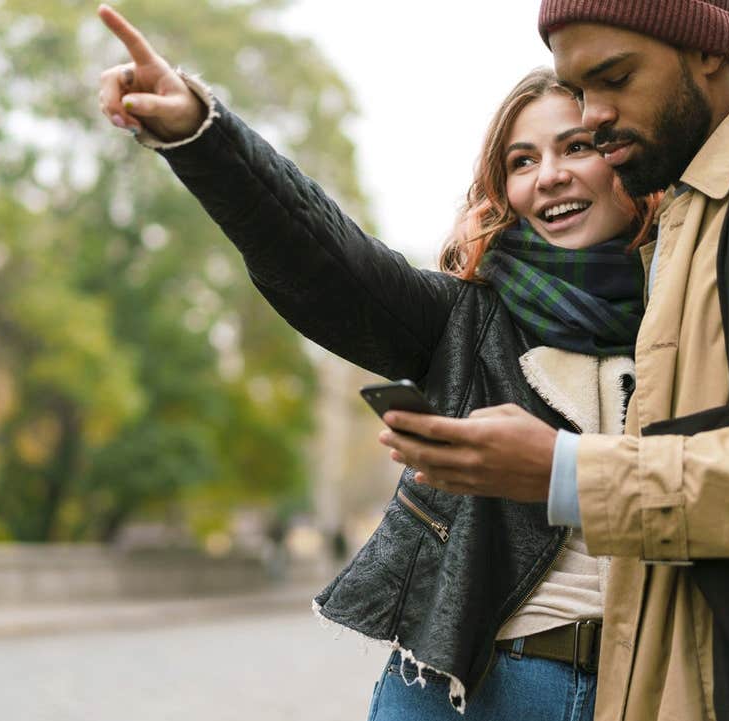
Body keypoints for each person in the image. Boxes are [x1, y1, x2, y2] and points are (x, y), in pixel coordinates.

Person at [93, 6, 659, 718]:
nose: (546, 177)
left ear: (625, 156)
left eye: (573, 148)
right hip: (460, 688)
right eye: (521, 161)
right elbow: (326, 260)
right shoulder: (466, 318)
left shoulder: (691, 313)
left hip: (638, 690)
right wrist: (202, 135)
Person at [376, 2, 729, 721]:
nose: (595, 116)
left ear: (707, 52)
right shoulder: (687, 220)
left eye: (615, 77)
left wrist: (565, 472)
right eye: (579, 91)